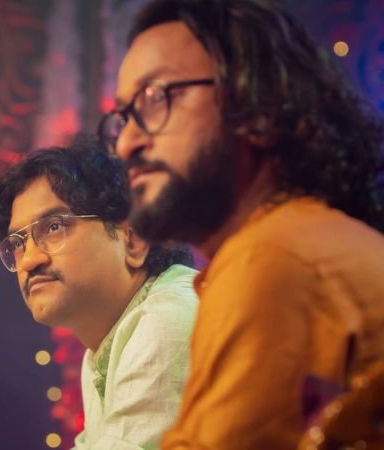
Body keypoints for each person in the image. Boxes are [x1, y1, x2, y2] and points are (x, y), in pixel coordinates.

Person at [97, 1, 384, 449]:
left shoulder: (274, 259)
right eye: (123, 118)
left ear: (260, 109)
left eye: (156, 97)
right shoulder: (299, 241)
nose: (126, 143)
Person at [0, 136, 199, 449]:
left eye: (54, 226)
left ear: (133, 239)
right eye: (17, 243)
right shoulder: (101, 352)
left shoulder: (166, 317)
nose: (29, 260)